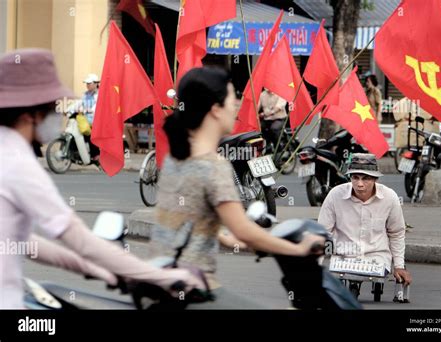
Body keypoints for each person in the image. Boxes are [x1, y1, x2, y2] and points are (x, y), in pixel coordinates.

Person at [0, 48, 204, 309]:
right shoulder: (18, 163)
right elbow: (77, 238)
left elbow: (22, 243)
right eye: (52, 108)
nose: (56, 115)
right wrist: (163, 277)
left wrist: (96, 269)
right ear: (31, 114)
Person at [151, 67, 325, 309]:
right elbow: (244, 229)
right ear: (215, 109)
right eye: (233, 99)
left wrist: (234, 241)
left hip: (164, 284)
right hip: (196, 291)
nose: (237, 107)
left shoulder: (175, 159)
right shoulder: (213, 165)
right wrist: (298, 249)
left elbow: (192, 225)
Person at [317, 153, 412, 285]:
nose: (360, 184)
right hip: (343, 258)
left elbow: (396, 233)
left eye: (365, 179)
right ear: (350, 177)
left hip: (377, 258)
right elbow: (323, 232)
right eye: (355, 177)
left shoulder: (389, 197)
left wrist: (399, 266)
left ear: (375, 179)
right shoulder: (335, 195)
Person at [81, 73, 100, 160]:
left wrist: (90, 110)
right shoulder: (85, 94)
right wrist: (69, 109)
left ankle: (95, 156)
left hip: (96, 121)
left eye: (89, 83)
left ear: (96, 84)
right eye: (87, 83)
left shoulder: (99, 95)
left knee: (91, 136)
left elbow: (97, 107)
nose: (87, 85)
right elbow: (79, 104)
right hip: (85, 120)